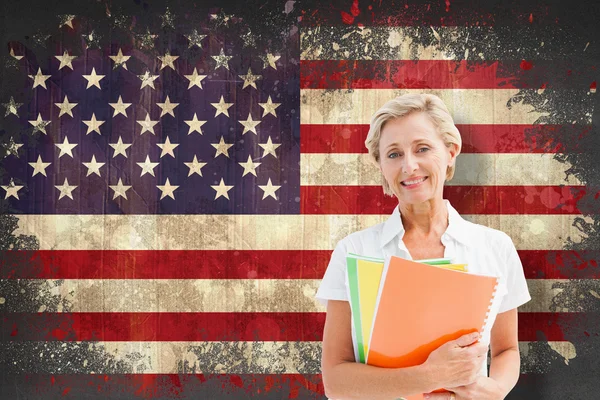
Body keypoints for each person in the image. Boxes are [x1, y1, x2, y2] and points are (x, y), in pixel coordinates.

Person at [315, 93, 531, 400]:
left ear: (451, 152)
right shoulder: (353, 250)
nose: (409, 165)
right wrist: (431, 376)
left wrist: (493, 391)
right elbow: (336, 383)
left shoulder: (496, 247)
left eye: (422, 148)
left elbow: (507, 349)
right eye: (393, 154)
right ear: (381, 166)